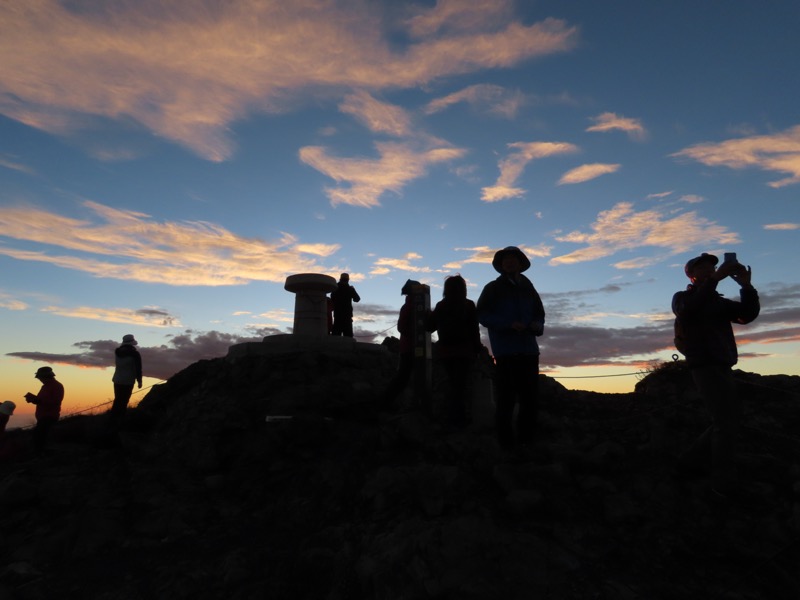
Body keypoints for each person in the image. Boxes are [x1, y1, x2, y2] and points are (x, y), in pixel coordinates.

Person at [672, 252, 760, 498]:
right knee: (725, 422)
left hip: (723, 364)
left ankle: (688, 463)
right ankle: (723, 482)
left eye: (713, 266)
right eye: (704, 267)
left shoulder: (719, 303)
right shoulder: (682, 298)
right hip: (703, 365)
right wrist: (715, 281)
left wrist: (746, 286)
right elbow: (688, 311)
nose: (711, 269)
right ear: (692, 274)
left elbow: (747, 315)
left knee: (726, 420)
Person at [477, 246, 545, 450]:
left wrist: (536, 326)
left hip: (529, 351)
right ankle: (505, 444)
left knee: (529, 399)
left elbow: (539, 314)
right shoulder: (492, 288)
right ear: (500, 265)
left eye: (513, 258)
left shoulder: (529, 288)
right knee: (506, 399)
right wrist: (508, 323)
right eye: (505, 259)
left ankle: (527, 441)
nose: (509, 261)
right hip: (505, 352)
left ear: (520, 263)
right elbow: (482, 315)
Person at [428, 275, 481, 427]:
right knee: (461, 386)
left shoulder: (441, 305)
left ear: (446, 289)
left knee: (452, 385)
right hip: (465, 352)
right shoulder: (469, 305)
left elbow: (429, 327)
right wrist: (477, 349)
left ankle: (451, 419)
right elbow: (474, 330)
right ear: (464, 289)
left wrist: (427, 315)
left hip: (446, 353)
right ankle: (460, 420)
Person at [383, 280, 418, 407]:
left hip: (407, 348)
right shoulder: (409, 307)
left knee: (404, 378)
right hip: (408, 348)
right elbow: (401, 327)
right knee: (402, 378)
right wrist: (414, 336)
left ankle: (389, 401)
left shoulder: (410, 305)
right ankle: (386, 402)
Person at [24, 366, 64, 455]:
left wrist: (37, 400)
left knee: (39, 436)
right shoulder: (45, 387)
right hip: (43, 416)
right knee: (39, 436)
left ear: (46, 377)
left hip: (49, 416)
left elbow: (55, 402)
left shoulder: (57, 386)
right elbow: (42, 400)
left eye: (40, 378)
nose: (40, 380)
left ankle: (42, 456)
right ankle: (41, 454)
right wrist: (33, 399)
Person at [110, 334, 143, 428]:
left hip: (117, 379)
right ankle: (120, 422)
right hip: (128, 381)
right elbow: (138, 368)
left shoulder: (117, 352)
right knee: (124, 401)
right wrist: (139, 381)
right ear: (132, 343)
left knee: (117, 400)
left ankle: (112, 421)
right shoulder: (135, 354)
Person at [330, 273, 361, 337]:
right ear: (348, 280)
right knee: (348, 338)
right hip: (347, 316)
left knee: (335, 338)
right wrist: (353, 290)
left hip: (337, 315)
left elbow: (332, 298)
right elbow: (357, 299)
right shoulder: (350, 289)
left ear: (340, 279)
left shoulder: (335, 288)